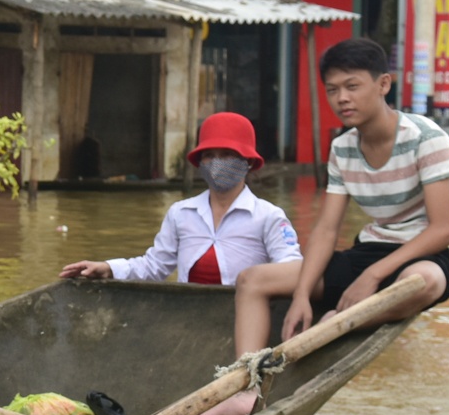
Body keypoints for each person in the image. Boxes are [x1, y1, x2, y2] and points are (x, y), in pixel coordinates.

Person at [198, 37, 449, 415]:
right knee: (253, 280)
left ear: (383, 84)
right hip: (370, 249)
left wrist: (371, 279)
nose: (342, 98)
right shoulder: (343, 148)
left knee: (419, 283)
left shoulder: (427, 138)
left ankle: (341, 319)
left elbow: (443, 230)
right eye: (333, 90)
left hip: (427, 255)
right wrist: (303, 295)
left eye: (352, 86)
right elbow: (326, 229)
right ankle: (246, 389)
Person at [61, 112, 301, 290]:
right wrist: (108, 268)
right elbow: (154, 267)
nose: (217, 164)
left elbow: (292, 269)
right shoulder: (182, 213)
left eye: (227, 155)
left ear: (248, 162)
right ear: (199, 163)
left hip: (244, 316)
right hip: (188, 321)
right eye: (209, 156)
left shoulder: (268, 217)